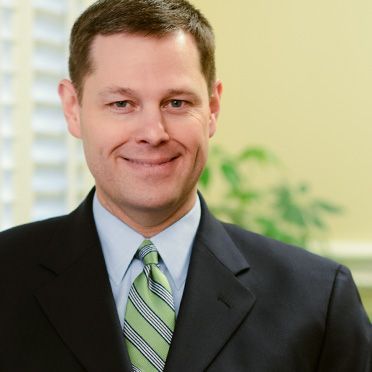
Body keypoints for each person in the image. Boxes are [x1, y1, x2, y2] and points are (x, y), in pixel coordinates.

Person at [0, 0, 371, 371]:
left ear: (212, 108)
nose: (152, 133)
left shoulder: (318, 299)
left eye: (176, 102)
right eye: (121, 103)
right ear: (72, 109)